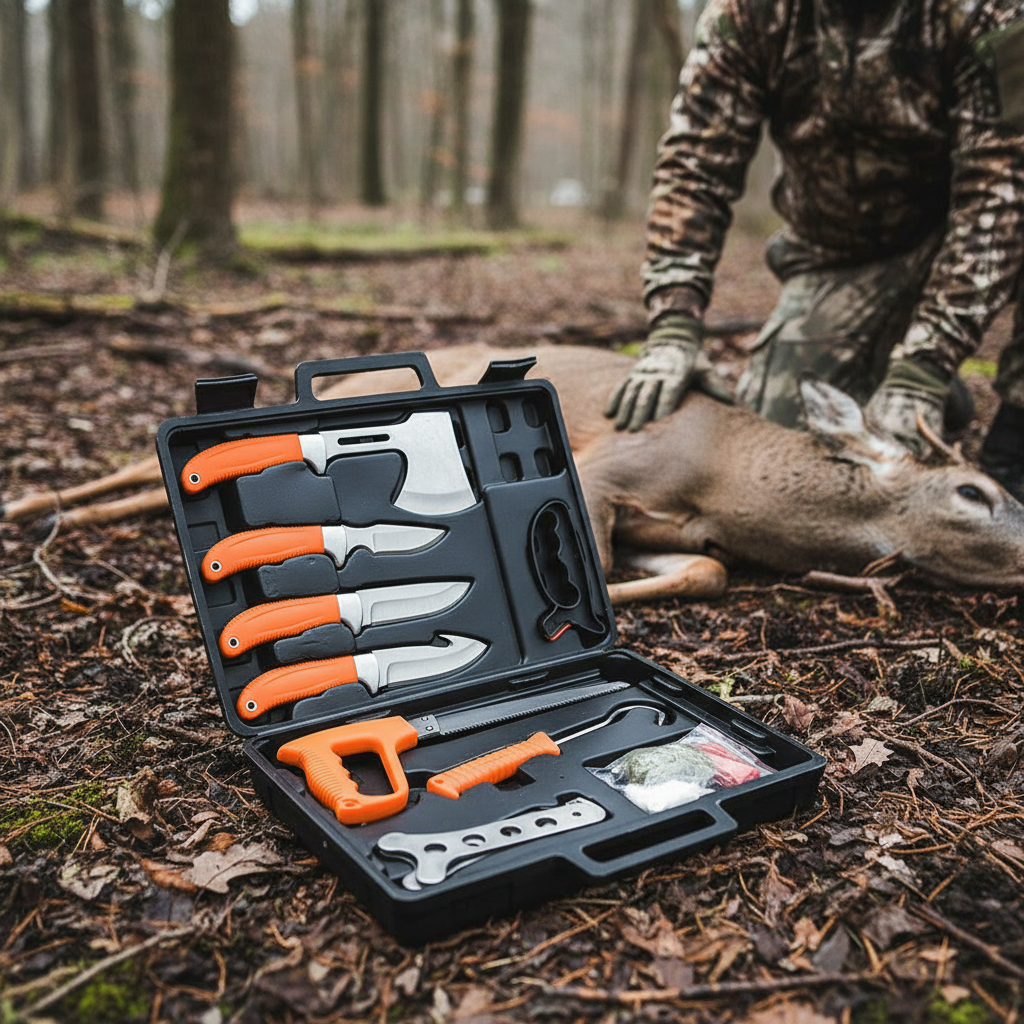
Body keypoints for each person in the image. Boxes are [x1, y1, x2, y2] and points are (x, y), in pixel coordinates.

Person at [605, 0, 1024, 501]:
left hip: (987, 233)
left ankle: (1014, 441)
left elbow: (1000, 188)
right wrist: (674, 325)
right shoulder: (747, 14)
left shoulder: (987, 12)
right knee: (782, 455)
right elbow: (694, 167)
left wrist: (925, 366)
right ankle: (911, 385)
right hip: (847, 255)